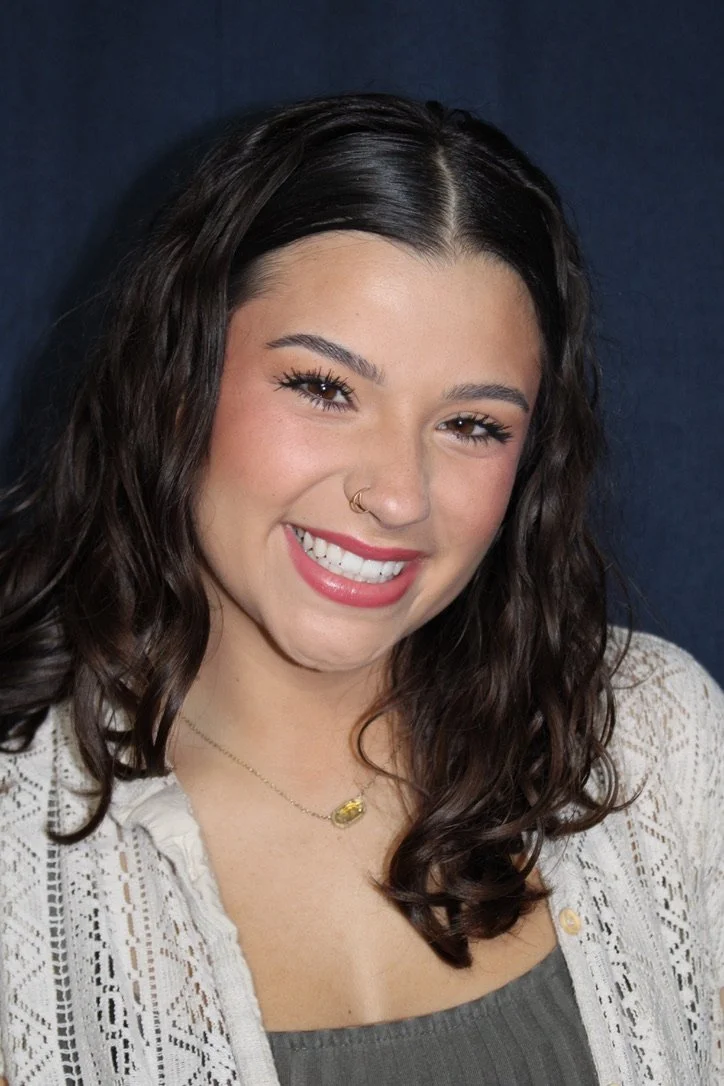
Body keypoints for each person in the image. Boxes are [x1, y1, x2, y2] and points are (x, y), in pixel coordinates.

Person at [0, 92, 721, 1086]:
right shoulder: (15, 829)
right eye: (324, 388)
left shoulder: (658, 742)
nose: (394, 494)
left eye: (471, 425)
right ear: (179, 375)